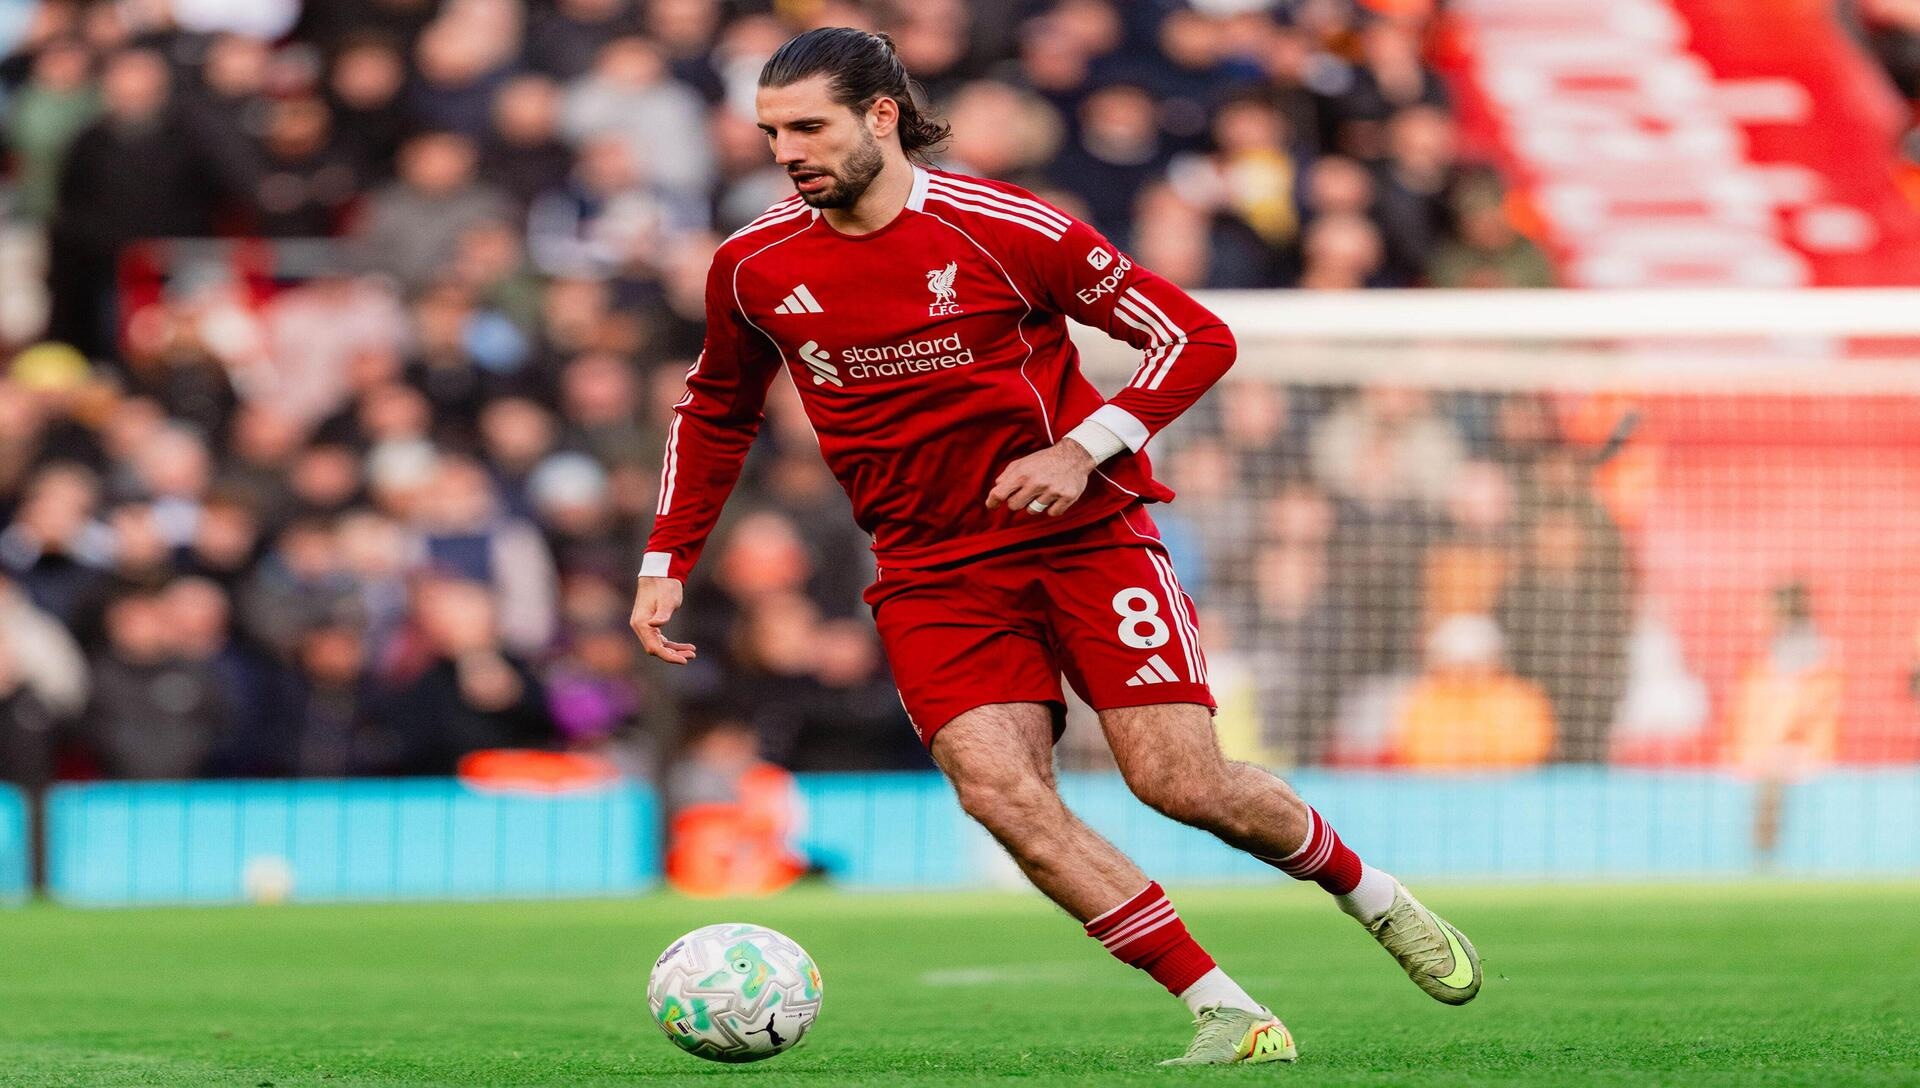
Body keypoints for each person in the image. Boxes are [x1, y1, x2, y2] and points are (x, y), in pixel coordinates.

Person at [628, 28, 1481, 1067]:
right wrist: (667, 556)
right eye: (771, 133)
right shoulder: (755, 264)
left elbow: (1195, 337)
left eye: (809, 126)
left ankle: (1371, 893)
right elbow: (715, 407)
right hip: (930, 567)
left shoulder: (1006, 225)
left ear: (882, 116)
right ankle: (1225, 1008)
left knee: (1181, 781)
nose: (788, 151)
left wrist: (1083, 447)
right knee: (1001, 791)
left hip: (1082, 536)